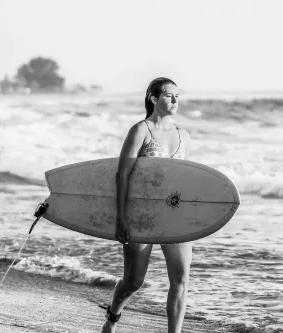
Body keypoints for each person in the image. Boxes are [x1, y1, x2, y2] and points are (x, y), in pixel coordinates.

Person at [101, 77, 192, 333]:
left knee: (181, 280)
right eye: (169, 95)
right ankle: (113, 316)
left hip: (174, 216)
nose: (175, 100)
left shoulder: (183, 135)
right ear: (154, 99)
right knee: (133, 281)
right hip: (142, 215)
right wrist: (121, 217)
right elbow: (122, 176)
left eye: (177, 96)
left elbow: (187, 181)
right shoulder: (141, 130)